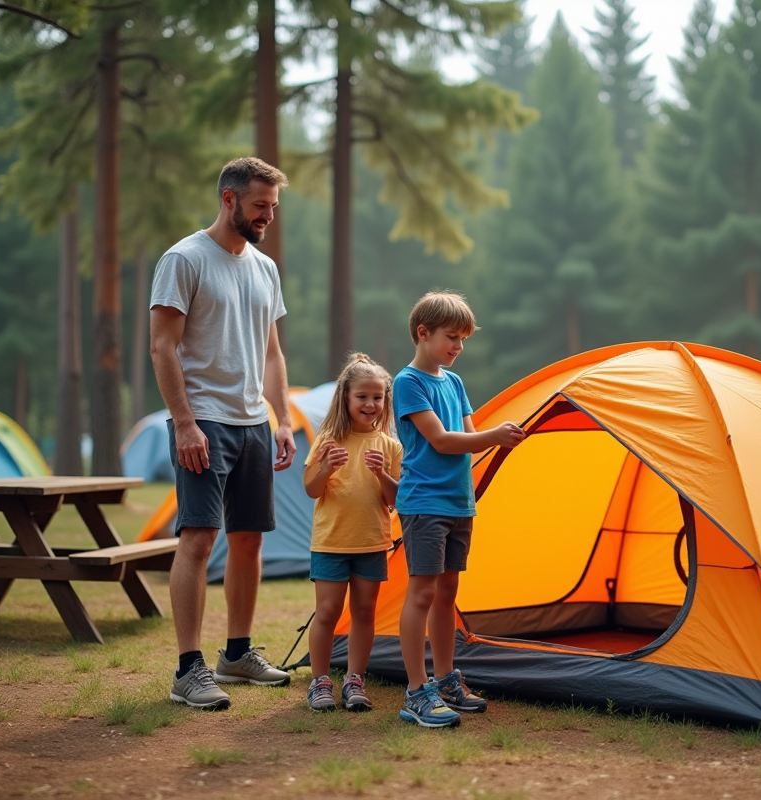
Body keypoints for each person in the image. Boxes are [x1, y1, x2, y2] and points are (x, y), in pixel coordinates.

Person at [150, 157, 296, 711]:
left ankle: (236, 654)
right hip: (203, 420)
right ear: (230, 199)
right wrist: (184, 422)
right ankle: (189, 669)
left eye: (274, 208)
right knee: (198, 538)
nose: (268, 217)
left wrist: (282, 418)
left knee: (250, 539)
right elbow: (163, 346)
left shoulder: (264, 268)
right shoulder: (184, 259)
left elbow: (272, 352)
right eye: (260, 206)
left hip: (254, 422)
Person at [393, 291, 525, 728]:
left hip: (457, 504)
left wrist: (498, 440)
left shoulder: (454, 382)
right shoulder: (408, 383)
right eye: (452, 337)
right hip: (424, 504)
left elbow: (470, 436)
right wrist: (494, 436)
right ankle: (416, 690)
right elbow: (444, 440)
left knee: (447, 593)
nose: (458, 347)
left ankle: (446, 678)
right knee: (423, 593)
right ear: (423, 333)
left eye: (463, 340)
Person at [302, 354, 402, 712]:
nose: (370, 404)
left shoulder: (390, 446)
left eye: (378, 397)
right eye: (363, 396)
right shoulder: (328, 439)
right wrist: (325, 468)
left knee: (364, 612)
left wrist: (383, 476)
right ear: (346, 397)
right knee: (327, 612)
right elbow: (311, 489)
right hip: (331, 542)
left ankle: (355, 679)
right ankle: (320, 681)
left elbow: (395, 501)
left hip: (372, 542)